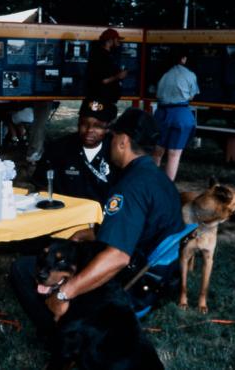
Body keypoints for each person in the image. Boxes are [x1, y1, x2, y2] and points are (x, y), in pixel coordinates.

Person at [10, 108, 184, 339]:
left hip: (132, 287)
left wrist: (64, 293)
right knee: (70, 254)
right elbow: (142, 229)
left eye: (112, 138)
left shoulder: (130, 187)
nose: (109, 143)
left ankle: (60, 335)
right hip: (156, 279)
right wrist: (93, 233)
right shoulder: (158, 178)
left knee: (23, 269)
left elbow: (117, 257)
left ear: (123, 141)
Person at [32, 99, 117, 208]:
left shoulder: (115, 151)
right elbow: (41, 185)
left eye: (98, 126)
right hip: (67, 215)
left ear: (108, 128)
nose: (89, 130)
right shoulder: (58, 149)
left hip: (105, 218)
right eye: (84, 124)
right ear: (78, 123)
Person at [152, 50, 199, 181]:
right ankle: (167, 186)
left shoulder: (163, 73)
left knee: (157, 151)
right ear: (183, 58)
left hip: (161, 113)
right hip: (181, 114)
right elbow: (192, 95)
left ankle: (151, 181)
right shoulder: (189, 74)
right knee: (174, 153)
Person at [85, 28, 127, 106]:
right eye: (117, 39)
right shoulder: (100, 56)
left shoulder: (106, 55)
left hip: (105, 100)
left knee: (100, 117)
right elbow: (102, 80)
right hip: (99, 99)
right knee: (94, 117)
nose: (119, 42)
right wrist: (119, 76)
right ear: (110, 40)